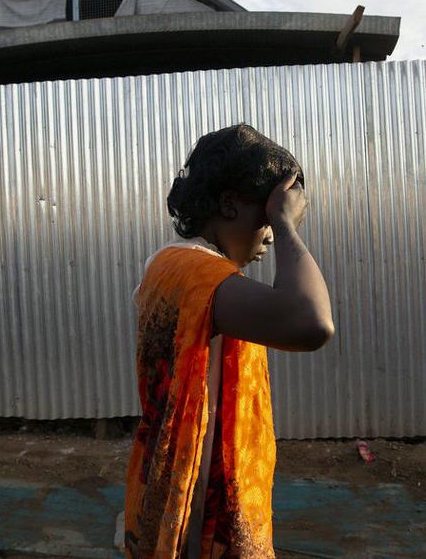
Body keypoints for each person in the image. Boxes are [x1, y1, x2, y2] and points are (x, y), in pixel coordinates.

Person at [123, 124, 335, 557]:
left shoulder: (178, 267)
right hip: (195, 505)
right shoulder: (193, 271)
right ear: (229, 203)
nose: (270, 234)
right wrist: (287, 226)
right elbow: (312, 322)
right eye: (267, 215)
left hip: (182, 486)